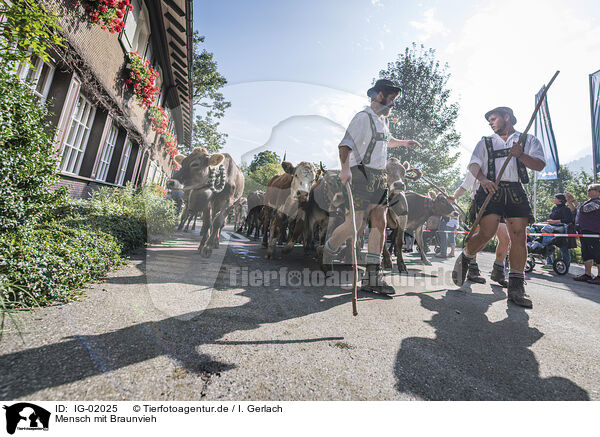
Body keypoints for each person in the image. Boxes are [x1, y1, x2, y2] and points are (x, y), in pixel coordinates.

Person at [320, 79, 421, 294]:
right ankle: (329, 249)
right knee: (354, 225)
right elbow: (344, 145)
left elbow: (387, 140)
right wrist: (345, 170)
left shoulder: (382, 122)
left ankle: (372, 276)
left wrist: (404, 143)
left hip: (379, 178)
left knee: (380, 224)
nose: (393, 104)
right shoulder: (362, 118)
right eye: (391, 99)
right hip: (359, 175)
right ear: (379, 96)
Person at [452, 107, 546, 308]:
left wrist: (520, 155)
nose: (491, 123)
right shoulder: (485, 142)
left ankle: (516, 287)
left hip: (515, 189)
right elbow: (474, 165)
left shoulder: (527, 140)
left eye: (493, 119)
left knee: (519, 235)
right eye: (489, 121)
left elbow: (539, 165)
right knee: (486, 233)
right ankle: (466, 256)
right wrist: (484, 180)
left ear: (507, 117)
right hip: (491, 189)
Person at [449, 170, 511, 287]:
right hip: (480, 203)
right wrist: (454, 196)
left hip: (499, 205)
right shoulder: (477, 166)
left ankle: (498, 271)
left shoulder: (501, 166)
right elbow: (464, 186)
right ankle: (472, 268)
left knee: (505, 239)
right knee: (477, 236)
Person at [566, 184, 600, 284]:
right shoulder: (588, 202)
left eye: (590, 189)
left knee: (597, 253)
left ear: (598, 191)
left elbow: (583, 209)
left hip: (593, 231)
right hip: (584, 231)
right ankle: (587, 274)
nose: (588, 191)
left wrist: (573, 200)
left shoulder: (597, 202)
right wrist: (569, 201)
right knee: (586, 252)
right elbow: (575, 211)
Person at [543, 193, 573, 270]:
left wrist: (556, 221)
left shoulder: (566, 209)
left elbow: (568, 220)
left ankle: (566, 266)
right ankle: (550, 263)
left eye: (555, 198)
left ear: (560, 200)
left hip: (562, 230)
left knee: (563, 248)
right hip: (552, 229)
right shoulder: (554, 208)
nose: (554, 199)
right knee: (549, 244)